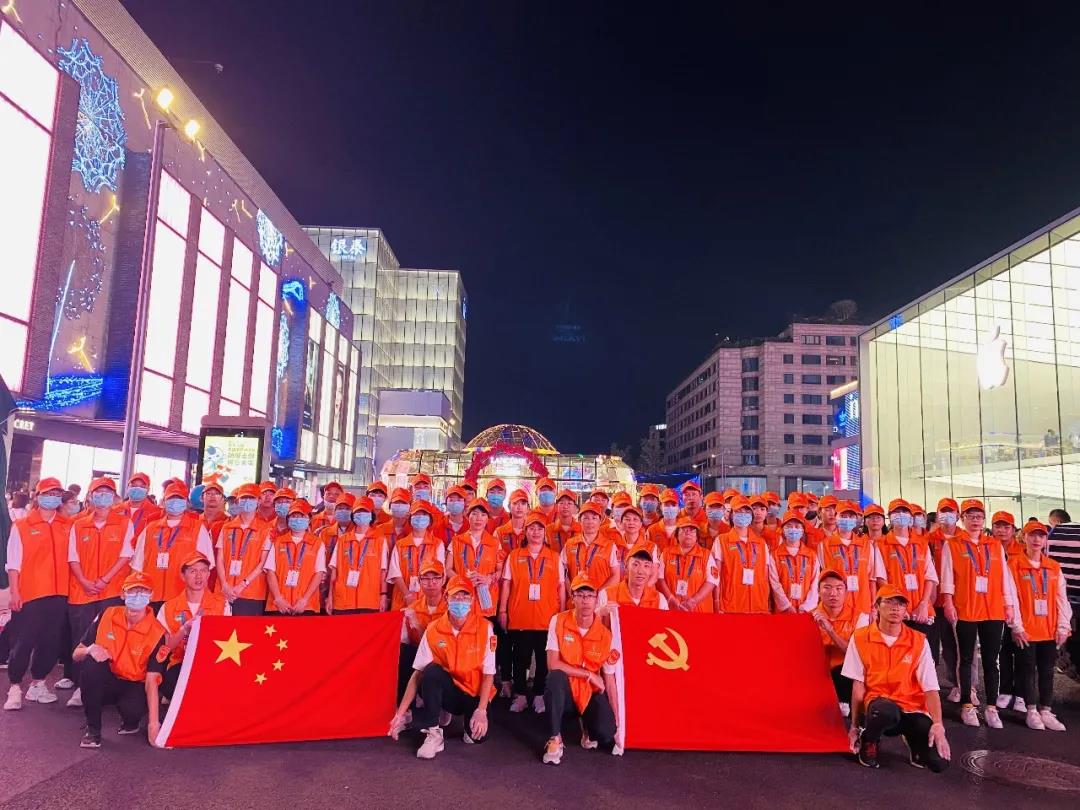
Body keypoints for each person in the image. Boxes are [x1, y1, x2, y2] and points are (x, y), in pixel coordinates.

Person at [843, 585, 950, 772]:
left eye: (900, 604)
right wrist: (854, 726)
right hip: (879, 705)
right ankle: (870, 740)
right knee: (886, 712)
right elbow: (858, 686)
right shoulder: (860, 637)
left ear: (905, 609)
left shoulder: (918, 640)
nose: (895, 608)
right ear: (877, 606)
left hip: (911, 707)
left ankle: (915, 744)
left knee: (939, 764)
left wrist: (938, 725)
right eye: (889, 602)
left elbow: (931, 688)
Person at [389, 575, 495, 758]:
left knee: (477, 738)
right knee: (430, 672)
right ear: (446, 598)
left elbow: (488, 673)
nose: (460, 601)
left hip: (473, 693)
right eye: (455, 596)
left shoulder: (485, 628)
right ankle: (433, 732)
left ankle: (469, 720)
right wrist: (400, 713)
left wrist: (481, 711)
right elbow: (417, 674)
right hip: (449, 689)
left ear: (472, 600)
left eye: (465, 596)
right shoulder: (433, 629)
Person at [939, 498, 1021, 728]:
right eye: (970, 516)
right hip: (965, 608)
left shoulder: (994, 545)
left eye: (979, 516)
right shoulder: (952, 545)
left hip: (993, 609)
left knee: (991, 660)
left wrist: (1009, 604)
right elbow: (947, 577)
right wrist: (948, 603)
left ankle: (992, 707)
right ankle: (967, 705)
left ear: (983, 520)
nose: (975, 520)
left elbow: (1004, 578)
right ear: (962, 519)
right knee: (966, 658)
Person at [72, 571, 167, 748]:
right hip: (107, 679)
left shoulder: (157, 632)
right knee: (90, 664)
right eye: (132, 591)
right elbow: (76, 654)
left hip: (133, 683)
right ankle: (93, 730)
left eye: (143, 591)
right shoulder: (107, 615)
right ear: (123, 594)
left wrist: (154, 725)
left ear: (151, 595)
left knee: (133, 710)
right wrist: (89, 649)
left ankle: (130, 722)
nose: (137, 596)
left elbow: (152, 680)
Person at [4, 477, 73, 710]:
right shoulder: (22, 526)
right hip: (30, 593)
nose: (52, 498)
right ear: (37, 496)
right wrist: (15, 592)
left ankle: (38, 683)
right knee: (23, 641)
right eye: (48, 493)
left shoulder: (68, 525)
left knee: (50, 641)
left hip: (59, 593)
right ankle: (15, 687)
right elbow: (13, 564)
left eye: (56, 494)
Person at [65, 478, 134, 709]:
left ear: (114, 497)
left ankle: (105, 686)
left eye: (107, 492)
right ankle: (80, 686)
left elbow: (126, 555)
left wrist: (105, 579)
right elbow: (73, 557)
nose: (103, 497)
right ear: (90, 497)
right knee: (81, 638)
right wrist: (84, 581)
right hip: (82, 591)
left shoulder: (124, 523)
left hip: (111, 590)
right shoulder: (79, 525)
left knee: (108, 638)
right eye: (98, 492)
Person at [542, 574, 620, 765]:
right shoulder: (558, 621)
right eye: (580, 595)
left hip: (588, 693)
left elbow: (609, 680)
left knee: (607, 733)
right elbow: (553, 664)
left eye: (590, 595)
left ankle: (586, 725)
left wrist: (619, 723)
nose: (585, 600)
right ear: (572, 597)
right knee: (554, 677)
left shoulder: (606, 635)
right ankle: (555, 738)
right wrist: (589, 674)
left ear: (596, 599)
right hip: (566, 692)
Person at [1008, 520, 1072, 731]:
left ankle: (1046, 710)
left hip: (1049, 629)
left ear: (1046, 540)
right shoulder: (1014, 565)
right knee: (1027, 670)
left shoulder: (1053, 566)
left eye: (1041, 535)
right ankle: (1031, 710)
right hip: (1026, 629)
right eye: (1032, 535)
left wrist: (1063, 626)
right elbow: (1011, 597)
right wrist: (1016, 626)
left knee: (1047, 670)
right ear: (1023, 537)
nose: (1037, 539)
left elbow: (1061, 598)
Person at [499, 509, 563, 714]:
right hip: (520, 616)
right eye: (531, 528)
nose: (536, 532)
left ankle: (538, 695)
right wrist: (503, 611)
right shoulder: (514, 556)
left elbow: (561, 587)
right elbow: (506, 584)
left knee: (543, 660)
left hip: (547, 617)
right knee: (520, 658)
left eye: (540, 529)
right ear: (525, 532)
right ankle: (520, 695)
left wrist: (561, 614)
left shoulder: (554, 557)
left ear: (545, 533)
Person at [446, 498, 508, 691]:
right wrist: (462, 581)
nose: (478, 518)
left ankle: (486, 684)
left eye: (482, 514)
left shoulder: (494, 543)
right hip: (461, 601)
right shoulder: (457, 541)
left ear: (487, 518)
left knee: (486, 643)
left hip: (485, 602)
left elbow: (501, 570)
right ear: (468, 516)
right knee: (463, 642)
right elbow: (448, 569)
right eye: (474, 514)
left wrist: (489, 578)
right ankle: (462, 683)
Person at [155, 553, 229, 699]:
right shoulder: (168, 607)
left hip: (211, 663)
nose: (198, 576)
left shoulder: (222, 605)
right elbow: (164, 648)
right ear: (183, 576)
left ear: (208, 574)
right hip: (180, 663)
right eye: (193, 571)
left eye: (203, 570)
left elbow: (226, 640)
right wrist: (183, 630)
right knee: (171, 683)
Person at [131, 483, 214, 611]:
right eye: (171, 498)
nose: (175, 502)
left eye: (179, 498)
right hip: (150, 596)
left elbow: (207, 566)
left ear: (186, 502)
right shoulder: (150, 529)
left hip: (183, 597)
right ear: (164, 502)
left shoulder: (197, 528)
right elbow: (137, 566)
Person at [874, 500, 938, 653]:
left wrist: (923, 604)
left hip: (922, 611)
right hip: (895, 612)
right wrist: (898, 606)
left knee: (925, 655)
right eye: (896, 512)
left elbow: (930, 576)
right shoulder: (881, 544)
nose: (900, 515)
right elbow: (881, 580)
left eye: (904, 512)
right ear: (890, 517)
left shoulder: (922, 543)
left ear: (910, 517)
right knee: (900, 655)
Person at [711, 496, 793, 614]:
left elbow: (766, 578)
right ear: (732, 515)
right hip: (730, 606)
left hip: (758, 607)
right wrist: (716, 603)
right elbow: (715, 576)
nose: (743, 514)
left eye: (746, 511)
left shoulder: (761, 543)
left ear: (751, 516)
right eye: (738, 511)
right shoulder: (722, 540)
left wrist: (767, 603)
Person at [813, 569, 869, 716]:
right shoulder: (809, 617)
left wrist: (830, 630)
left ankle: (854, 718)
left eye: (839, 588)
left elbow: (857, 654)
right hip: (818, 674)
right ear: (818, 591)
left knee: (848, 671)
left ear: (846, 592)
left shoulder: (859, 617)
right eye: (827, 588)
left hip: (844, 676)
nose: (833, 593)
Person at [926, 497, 965, 702]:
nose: (947, 515)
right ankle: (938, 684)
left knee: (960, 646)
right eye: (943, 511)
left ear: (958, 515)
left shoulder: (966, 538)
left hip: (961, 601)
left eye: (951, 511)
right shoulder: (929, 539)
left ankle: (963, 685)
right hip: (935, 601)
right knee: (938, 645)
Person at [216, 482, 274, 616]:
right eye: (244, 498)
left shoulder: (267, 529)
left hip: (251, 593)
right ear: (238, 501)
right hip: (224, 591)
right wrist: (224, 584)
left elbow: (263, 563)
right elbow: (220, 558)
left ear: (258, 501)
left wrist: (243, 585)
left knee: (247, 629)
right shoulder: (227, 527)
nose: (247, 501)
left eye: (251, 498)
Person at [328, 496, 388, 614]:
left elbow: (383, 571)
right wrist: (330, 597)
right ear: (353, 515)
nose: (361, 514)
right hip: (342, 601)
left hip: (369, 600)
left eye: (365, 511)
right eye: (358, 511)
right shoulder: (343, 540)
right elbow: (334, 571)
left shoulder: (380, 539)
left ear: (371, 515)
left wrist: (383, 595)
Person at [264, 500, 326, 615]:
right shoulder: (278, 542)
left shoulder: (317, 543)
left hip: (306, 605)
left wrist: (304, 600)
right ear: (288, 519)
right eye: (294, 516)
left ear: (309, 519)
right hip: (278, 605)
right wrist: (278, 598)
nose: (297, 519)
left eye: (302, 516)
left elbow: (319, 573)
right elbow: (270, 571)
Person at [399, 559, 447, 699]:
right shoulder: (413, 608)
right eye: (425, 579)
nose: (431, 583)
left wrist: (418, 626)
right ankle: (405, 704)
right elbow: (406, 642)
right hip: (419, 655)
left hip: (444, 654)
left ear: (443, 579)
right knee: (403, 651)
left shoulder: (452, 607)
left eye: (436, 578)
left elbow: (442, 644)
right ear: (419, 581)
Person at [387, 499, 446, 611]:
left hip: (427, 598)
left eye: (424, 515)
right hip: (402, 597)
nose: (420, 518)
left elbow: (440, 573)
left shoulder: (437, 544)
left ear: (430, 519)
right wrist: (407, 595)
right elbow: (395, 573)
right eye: (416, 514)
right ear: (410, 519)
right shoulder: (400, 544)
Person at [821, 501, 876, 616]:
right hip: (836, 609)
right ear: (836, 517)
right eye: (843, 516)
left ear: (856, 519)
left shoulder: (866, 545)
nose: (847, 519)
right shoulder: (824, 545)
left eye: (851, 516)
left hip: (863, 607)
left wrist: (873, 607)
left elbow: (871, 579)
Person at [657, 519, 718, 612]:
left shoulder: (706, 555)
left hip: (699, 609)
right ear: (677, 535)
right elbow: (660, 578)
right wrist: (670, 598)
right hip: (672, 607)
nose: (688, 533)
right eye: (684, 530)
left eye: (692, 531)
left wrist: (694, 600)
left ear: (697, 536)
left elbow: (712, 581)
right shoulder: (666, 553)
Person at [562, 502, 621, 590]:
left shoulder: (609, 546)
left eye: (594, 518)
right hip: (575, 596)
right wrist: (571, 593)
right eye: (586, 518)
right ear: (579, 520)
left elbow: (615, 575)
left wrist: (599, 593)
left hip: (601, 597)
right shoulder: (569, 544)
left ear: (600, 521)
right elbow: (563, 574)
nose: (590, 522)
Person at [598, 541, 667, 612]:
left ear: (650, 571)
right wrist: (601, 614)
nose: (640, 571)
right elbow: (594, 618)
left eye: (646, 566)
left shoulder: (659, 600)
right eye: (635, 565)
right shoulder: (606, 595)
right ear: (626, 567)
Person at [772, 511, 821, 612]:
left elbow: (815, 583)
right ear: (783, 530)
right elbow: (774, 583)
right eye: (789, 526)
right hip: (783, 612)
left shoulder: (812, 555)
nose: (793, 529)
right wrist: (786, 606)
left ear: (803, 530)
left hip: (806, 611)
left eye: (797, 526)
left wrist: (806, 607)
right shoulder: (774, 555)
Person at [120, 473, 162, 546]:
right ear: (128, 487)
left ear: (148, 490)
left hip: (143, 551)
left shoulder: (157, 513)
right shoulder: (116, 510)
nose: (137, 489)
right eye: (134, 486)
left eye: (142, 487)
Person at [493, 489, 530, 554]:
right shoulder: (499, 533)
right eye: (515, 503)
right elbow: (495, 556)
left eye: (523, 504)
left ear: (528, 508)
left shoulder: (532, 532)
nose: (519, 507)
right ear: (509, 507)